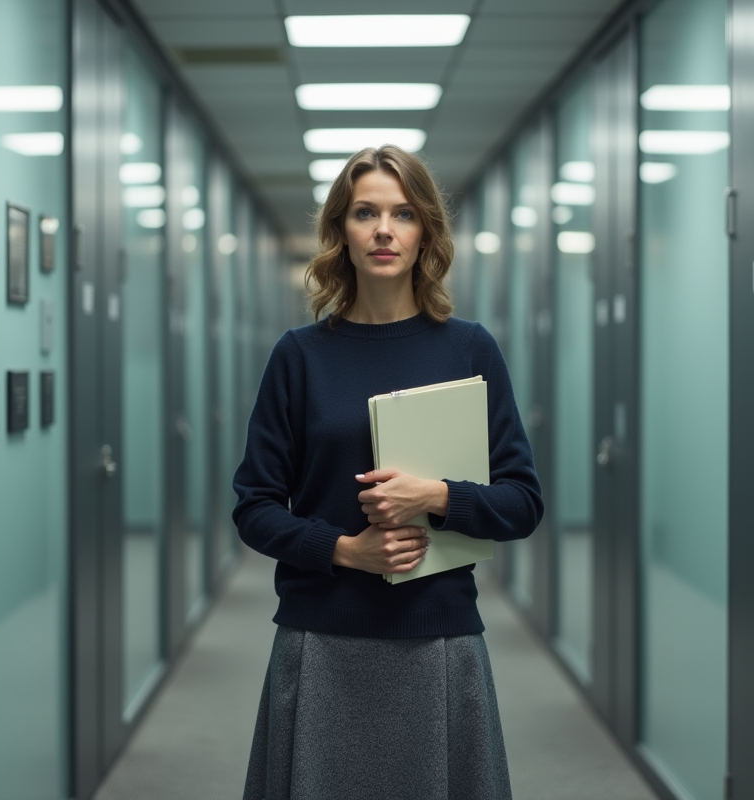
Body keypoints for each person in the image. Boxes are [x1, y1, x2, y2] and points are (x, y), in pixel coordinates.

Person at [233, 144, 544, 800]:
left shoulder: (468, 348)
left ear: (425, 230)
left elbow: (521, 501)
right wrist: (346, 550)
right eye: (364, 213)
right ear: (340, 233)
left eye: (402, 213)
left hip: (438, 637)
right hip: (322, 637)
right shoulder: (298, 357)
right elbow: (254, 506)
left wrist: (436, 496)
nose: (382, 229)